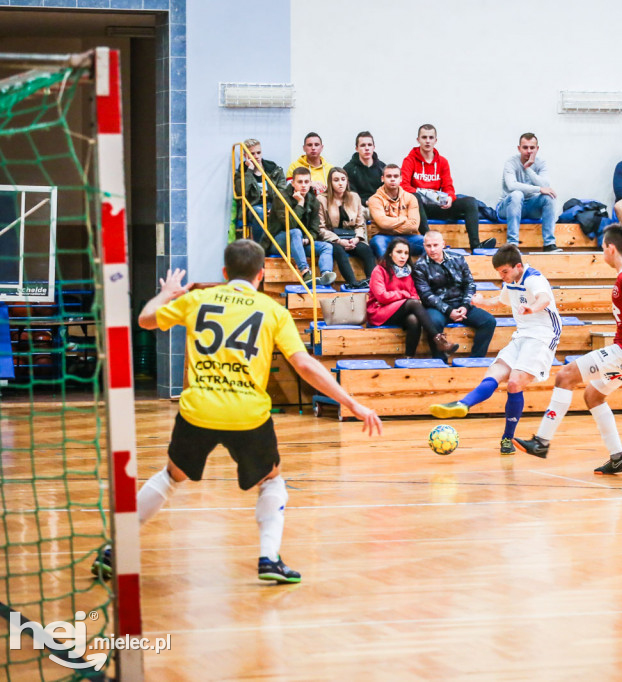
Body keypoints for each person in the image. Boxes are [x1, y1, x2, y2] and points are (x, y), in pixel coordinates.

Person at [92, 240, 383, 585]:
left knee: (171, 477)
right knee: (272, 480)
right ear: (261, 275)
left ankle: (115, 550)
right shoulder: (273, 310)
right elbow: (304, 364)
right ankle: (269, 559)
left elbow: (145, 320)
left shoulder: (197, 299)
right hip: (247, 414)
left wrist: (168, 293)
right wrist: (353, 403)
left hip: (198, 409)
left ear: (224, 273)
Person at [514, 224, 622, 474]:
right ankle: (618, 457)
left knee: (565, 376)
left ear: (611, 248)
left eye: (602, 248)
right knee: (593, 396)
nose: (602, 253)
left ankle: (541, 442)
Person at [428, 245, 562, 454]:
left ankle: (507, 439)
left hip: (544, 335)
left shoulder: (534, 278)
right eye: (499, 273)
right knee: (495, 372)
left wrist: (532, 308)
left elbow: (544, 299)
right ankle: (463, 404)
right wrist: (481, 302)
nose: (502, 276)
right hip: (523, 335)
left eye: (505, 272)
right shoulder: (510, 281)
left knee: (515, 382)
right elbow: (500, 301)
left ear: (518, 266)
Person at [400, 124, 496, 251]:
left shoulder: (442, 162)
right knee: (415, 197)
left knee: (470, 201)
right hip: (419, 208)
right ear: (418, 140)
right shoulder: (410, 160)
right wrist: (424, 194)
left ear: (435, 140)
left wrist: (450, 197)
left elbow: (448, 187)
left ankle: (476, 245)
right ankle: (430, 242)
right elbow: (403, 185)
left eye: (430, 137)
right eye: (424, 137)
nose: (427, 141)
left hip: (438, 206)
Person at [366, 237, 458, 362]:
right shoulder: (379, 270)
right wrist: (403, 294)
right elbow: (382, 296)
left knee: (413, 319)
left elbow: (415, 295)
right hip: (379, 312)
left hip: (400, 311)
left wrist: (404, 297)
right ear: (390, 253)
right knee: (412, 303)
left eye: (406, 253)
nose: (403, 256)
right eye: (399, 252)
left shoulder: (409, 272)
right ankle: (438, 339)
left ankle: (409, 358)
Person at [413, 230, 496, 357]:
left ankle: (476, 359)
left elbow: (470, 284)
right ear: (424, 246)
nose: (432, 249)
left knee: (489, 321)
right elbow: (426, 295)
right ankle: (440, 362)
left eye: (435, 245)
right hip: (437, 307)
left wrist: (465, 306)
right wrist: (449, 311)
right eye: (428, 246)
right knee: (433, 323)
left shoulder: (458, 258)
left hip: (461, 303)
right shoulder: (419, 266)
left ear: (443, 244)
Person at [269, 167, 336, 287]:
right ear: (293, 183)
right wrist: (300, 203)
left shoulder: (314, 201)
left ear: (310, 183)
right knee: (295, 232)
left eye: (306, 182)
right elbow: (289, 224)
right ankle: (305, 272)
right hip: (278, 242)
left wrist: (307, 237)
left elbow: (315, 228)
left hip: (299, 244)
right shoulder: (281, 198)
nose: (304, 185)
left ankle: (326, 273)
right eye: (300, 182)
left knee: (327, 246)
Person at [495, 132, 561, 251]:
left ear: (537, 149)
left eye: (532, 147)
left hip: (530, 206)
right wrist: (538, 189)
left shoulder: (541, 163)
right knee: (517, 194)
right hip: (508, 206)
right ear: (519, 148)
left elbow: (546, 185)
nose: (529, 151)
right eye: (525, 147)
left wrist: (528, 168)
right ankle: (512, 245)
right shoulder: (510, 162)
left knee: (549, 197)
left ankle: (549, 244)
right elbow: (511, 186)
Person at [318, 167, 375, 288]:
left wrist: (357, 238)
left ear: (347, 181)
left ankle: (371, 282)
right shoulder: (322, 199)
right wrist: (338, 241)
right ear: (330, 182)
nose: (340, 183)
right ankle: (352, 282)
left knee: (366, 250)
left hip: (351, 237)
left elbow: (360, 224)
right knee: (338, 251)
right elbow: (320, 227)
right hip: (332, 238)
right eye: (336, 180)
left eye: (343, 179)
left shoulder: (354, 197)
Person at [367, 164, 424, 258]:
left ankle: (423, 271)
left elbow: (414, 226)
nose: (392, 179)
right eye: (389, 176)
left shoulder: (411, 198)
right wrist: (403, 219)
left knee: (426, 242)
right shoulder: (374, 199)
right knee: (378, 243)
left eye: (396, 176)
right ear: (382, 179)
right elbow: (383, 224)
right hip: (383, 237)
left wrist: (390, 227)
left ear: (401, 178)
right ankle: (388, 272)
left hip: (408, 238)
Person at [235, 137, 287, 236]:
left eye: (258, 153)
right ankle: (261, 248)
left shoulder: (273, 168)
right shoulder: (242, 171)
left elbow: (283, 190)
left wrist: (276, 206)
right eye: (252, 154)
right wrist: (249, 171)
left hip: (272, 204)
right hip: (253, 206)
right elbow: (242, 192)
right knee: (259, 213)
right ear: (246, 155)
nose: (256, 156)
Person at [342, 131, 386, 208]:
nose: (367, 148)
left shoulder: (382, 167)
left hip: (380, 205)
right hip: (357, 207)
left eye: (369, 145)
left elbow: (387, 191)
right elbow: (349, 194)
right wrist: (365, 202)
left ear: (373, 147)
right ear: (357, 148)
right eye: (363, 145)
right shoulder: (348, 169)